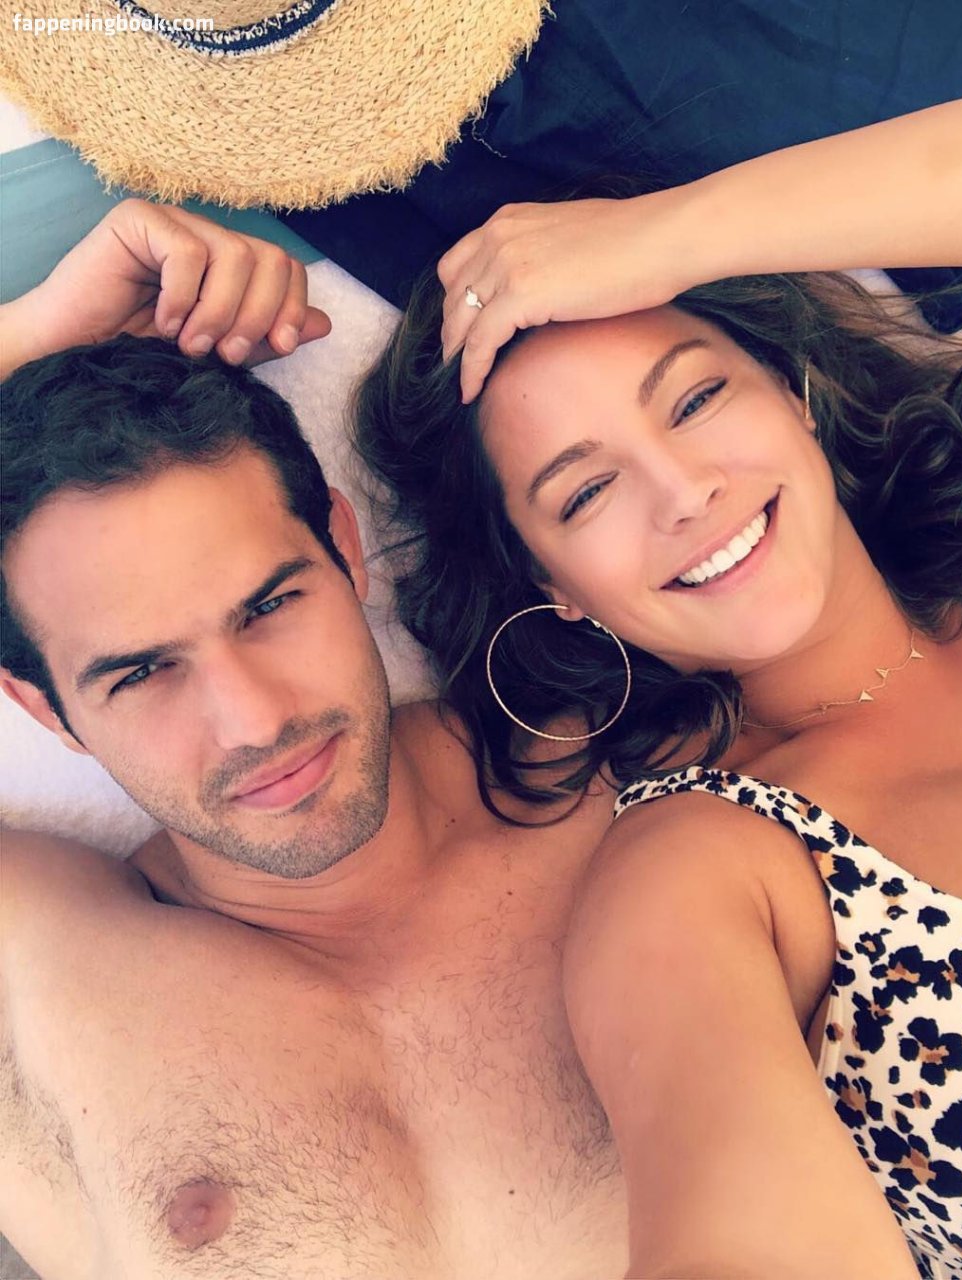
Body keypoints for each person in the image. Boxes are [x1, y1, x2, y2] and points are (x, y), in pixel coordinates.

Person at [352, 90, 962, 1277]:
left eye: (697, 397)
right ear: (549, 583)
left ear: (791, 391)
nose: (682, 491)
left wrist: (673, 235)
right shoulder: (702, 872)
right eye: (583, 491)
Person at [0, 206, 628, 1279]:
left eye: (268, 606)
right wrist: (32, 334)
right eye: (141, 672)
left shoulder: (638, 773)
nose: (254, 720)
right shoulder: (37, 957)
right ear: (45, 710)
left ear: (344, 544)